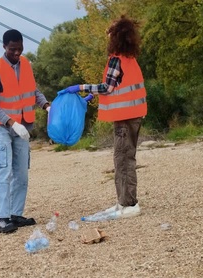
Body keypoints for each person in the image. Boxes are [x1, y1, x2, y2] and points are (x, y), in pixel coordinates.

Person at [60, 15, 147, 219]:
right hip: (135, 115)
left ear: (116, 38)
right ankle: (123, 201)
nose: (107, 37)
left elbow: (107, 87)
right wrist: (91, 95)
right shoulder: (130, 59)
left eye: (110, 34)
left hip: (125, 119)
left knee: (122, 160)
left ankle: (128, 204)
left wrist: (80, 87)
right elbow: (119, 86)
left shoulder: (116, 59)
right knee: (126, 158)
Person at [0, 29, 50, 234]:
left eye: (20, 48)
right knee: (5, 172)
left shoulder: (26, 64)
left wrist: (46, 105)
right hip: (4, 128)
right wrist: (12, 122)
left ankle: (16, 214)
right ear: (4, 47)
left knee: (21, 173)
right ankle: (3, 219)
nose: (16, 52)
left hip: (24, 128)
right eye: (13, 49)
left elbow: (33, 90)